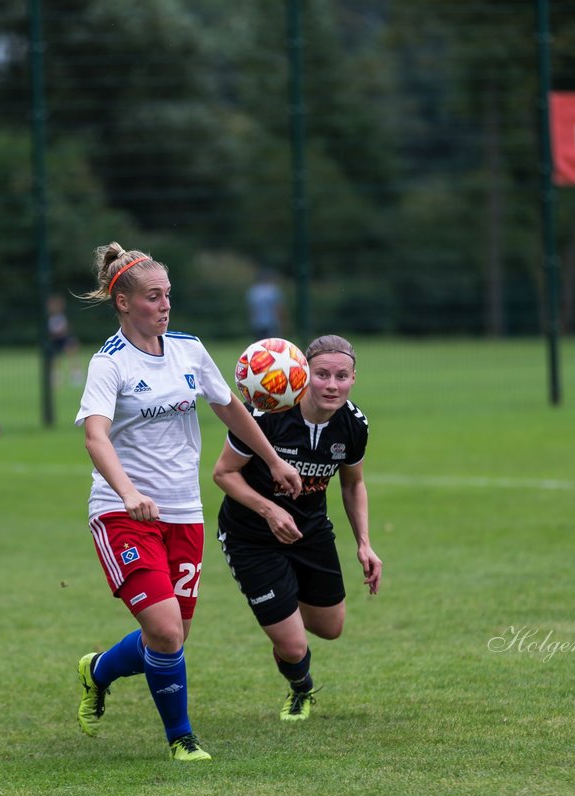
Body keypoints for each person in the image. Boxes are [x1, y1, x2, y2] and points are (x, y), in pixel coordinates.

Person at [73, 242, 303, 762]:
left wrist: (273, 461)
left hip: (184, 513)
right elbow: (96, 437)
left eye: (168, 295)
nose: (165, 305)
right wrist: (128, 493)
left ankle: (97, 670)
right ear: (124, 303)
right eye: (154, 297)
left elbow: (233, 411)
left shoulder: (188, 349)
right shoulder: (107, 363)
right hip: (122, 512)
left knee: (170, 640)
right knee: (165, 629)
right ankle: (181, 738)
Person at [212, 334, 382, 720]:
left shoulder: (353, 425)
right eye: (322, 374)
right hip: (251, 536)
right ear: (304, 373)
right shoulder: (266, 415)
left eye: (341, 376)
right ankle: (301, 688)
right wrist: (269, 510)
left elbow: (353, 484)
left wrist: (365, 544)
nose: (332, 385)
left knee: (331, 627)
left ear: (354, 378)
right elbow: (223, 474)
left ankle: (280, 605)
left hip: (310, 531)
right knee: (292, 645)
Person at [46, 293, 82, 387]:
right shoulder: (51, 318)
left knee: (72, 357)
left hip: (64, 339)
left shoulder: (62, 317)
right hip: (55, 341)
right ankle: (56, 378)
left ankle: (76, 376)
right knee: (56, 360)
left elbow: (65, 330)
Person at [246, 269, 285, 340]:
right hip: (272, 323)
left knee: (260, 344)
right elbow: (278, 308)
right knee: (273, 344)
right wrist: (282, 321)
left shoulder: (254, 291)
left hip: (257, 323)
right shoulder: (273, 290)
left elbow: (251, 309)